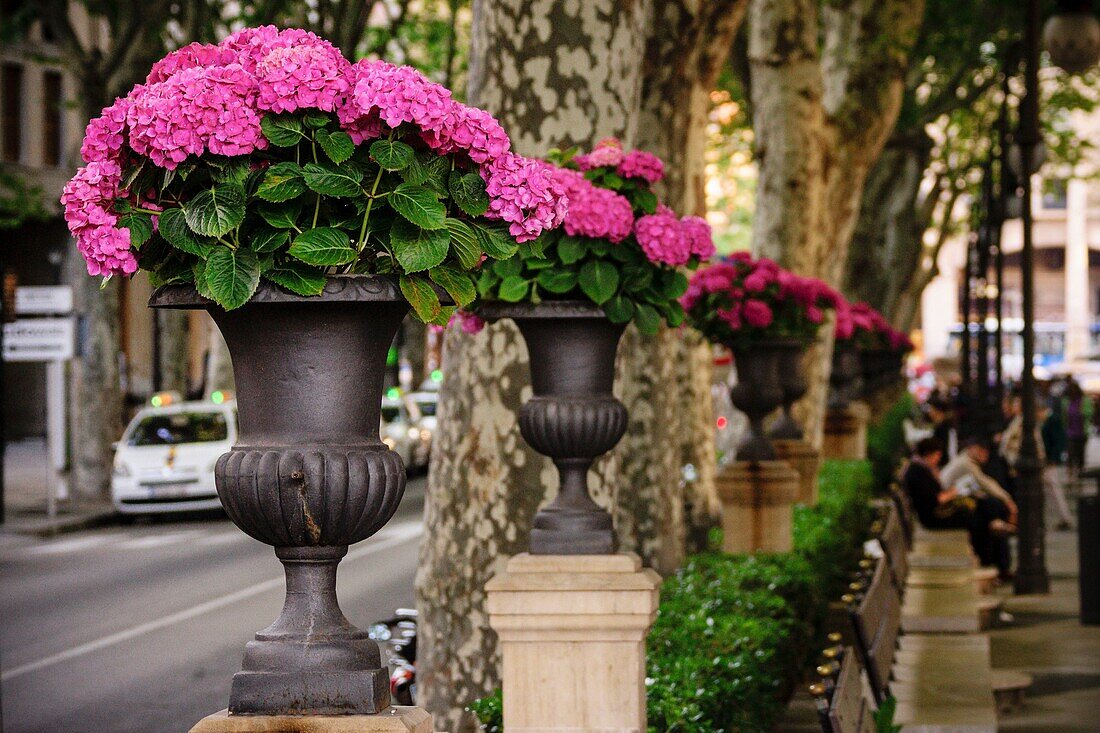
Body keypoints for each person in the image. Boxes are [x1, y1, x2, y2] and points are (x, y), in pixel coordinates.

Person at [902, 437, 1015, 577]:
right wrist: (955, 491)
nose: (938, 460)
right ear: (930, 454)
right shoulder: (918, 471)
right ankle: (992, 561)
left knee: (984, 509)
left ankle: (997, 555)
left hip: (936, 513)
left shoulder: (919, 469)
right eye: (937, 456)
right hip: (935, 517)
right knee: (980, 519)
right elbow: (937, 499)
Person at [941, 436, 1016, 576]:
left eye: (986, 451)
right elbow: (984, 484)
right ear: (971, 449)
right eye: (981, 450)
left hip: (956, 506)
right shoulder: (965, 464)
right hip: (950, 509)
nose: (984, 454)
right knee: (993, 513)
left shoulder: (965, 461)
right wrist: (1009, 502)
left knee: (992, 515)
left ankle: (1000, 564)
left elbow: (977, 488)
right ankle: (1000, 565)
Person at [1001, 392, 1074, 530]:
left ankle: (1063, 518)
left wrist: (1052, 458)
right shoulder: (1026, 420)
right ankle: (1056, 519)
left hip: (1044, 461)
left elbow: (1055, 441)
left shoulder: (1046, 420)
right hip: (1040, 460)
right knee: (1045, 491)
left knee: (1051, 490)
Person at [1063, 378, 1092, 483]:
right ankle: (1070, 476)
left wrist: (1082, 413)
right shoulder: (1067, 401)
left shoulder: (1085, 400)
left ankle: (1079, 475)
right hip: (1071, 432)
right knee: (1070, 454)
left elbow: (1089, 413)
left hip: (1082, 432)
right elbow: (1064, 416)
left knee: (1080, 454)